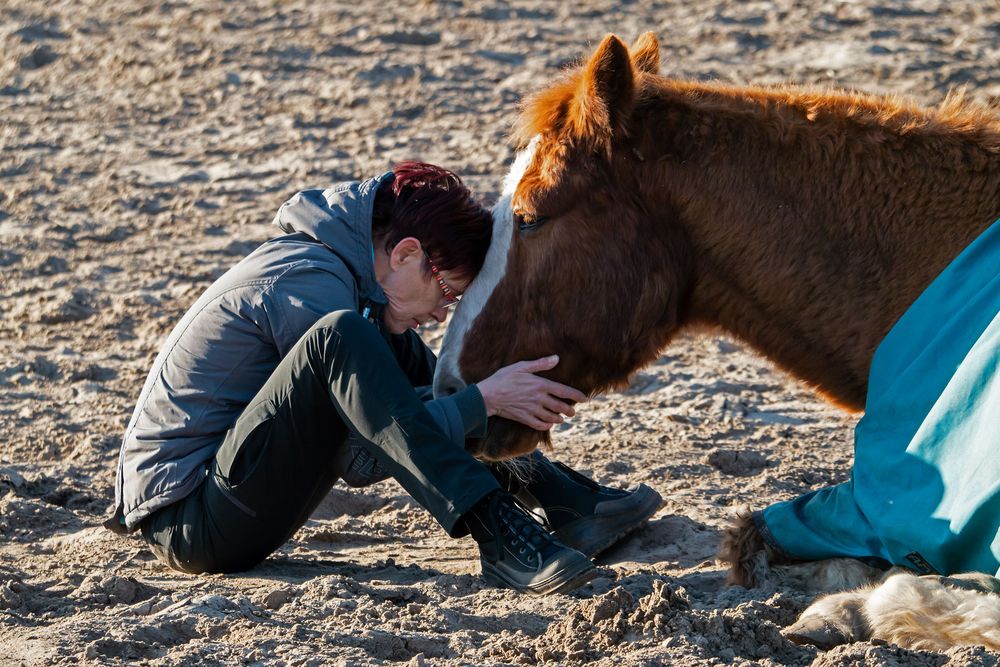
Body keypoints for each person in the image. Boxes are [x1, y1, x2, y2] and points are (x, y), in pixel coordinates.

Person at [105, 162, 661, 595]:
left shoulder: (341, 274)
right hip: (193, 520)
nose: (444, 311)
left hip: (229, 493)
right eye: (446, 291)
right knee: (348, 337)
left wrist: (482, 402)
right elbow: (363, 456)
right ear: (406, 252)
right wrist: (484, 400)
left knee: (395, 345)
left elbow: (384, 419)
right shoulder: (310, 286)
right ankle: (499, 534)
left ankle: (559, 496)